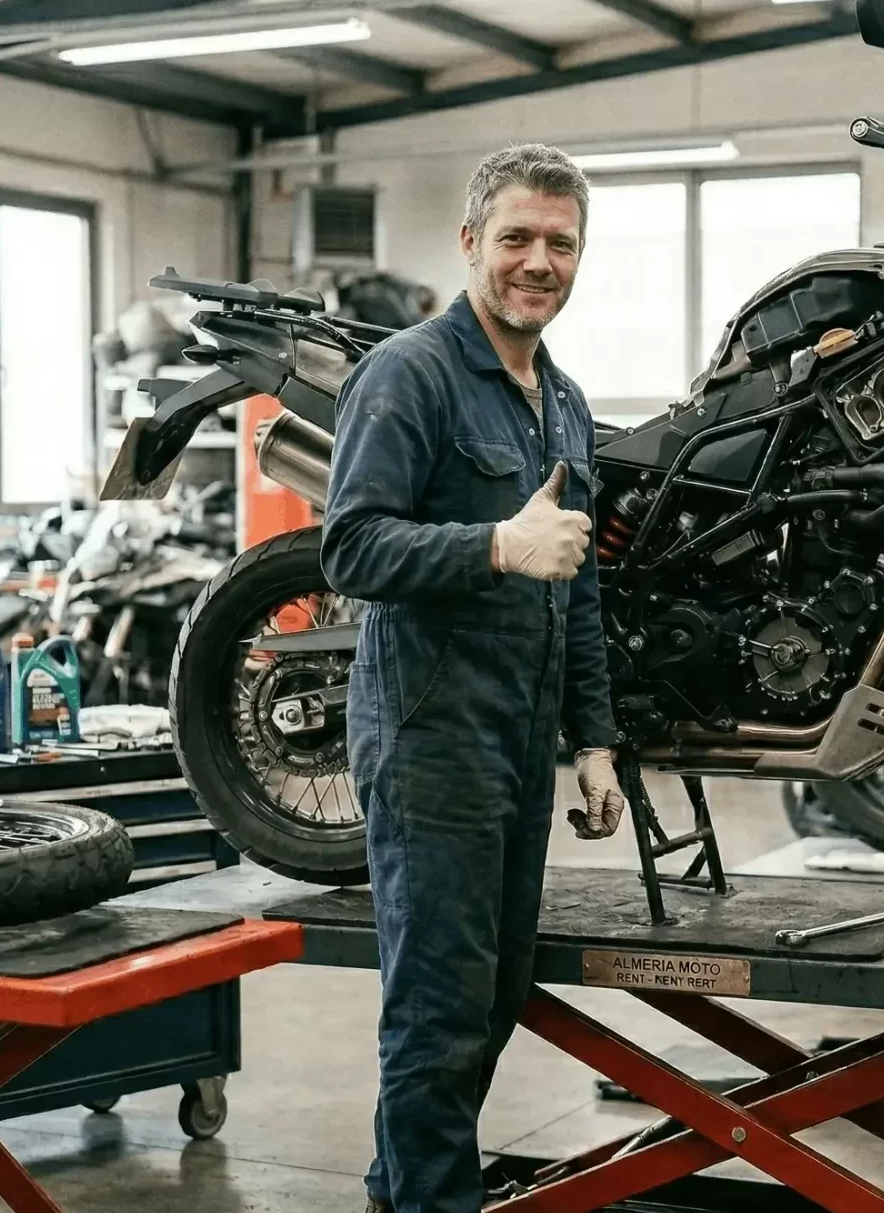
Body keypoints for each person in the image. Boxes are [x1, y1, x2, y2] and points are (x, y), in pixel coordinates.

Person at [322, 144, 634, 1213]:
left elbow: (576, 585)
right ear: (469, 243)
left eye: (561, 243)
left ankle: (397, 1189)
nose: (539, 261)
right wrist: (496, 545)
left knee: (492, 994)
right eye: (517, 238)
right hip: (430, 740)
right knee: (441, 1009)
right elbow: (350, 547)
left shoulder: (564, 402)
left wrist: (594, 740)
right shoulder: (408, 373)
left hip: (518, 740)